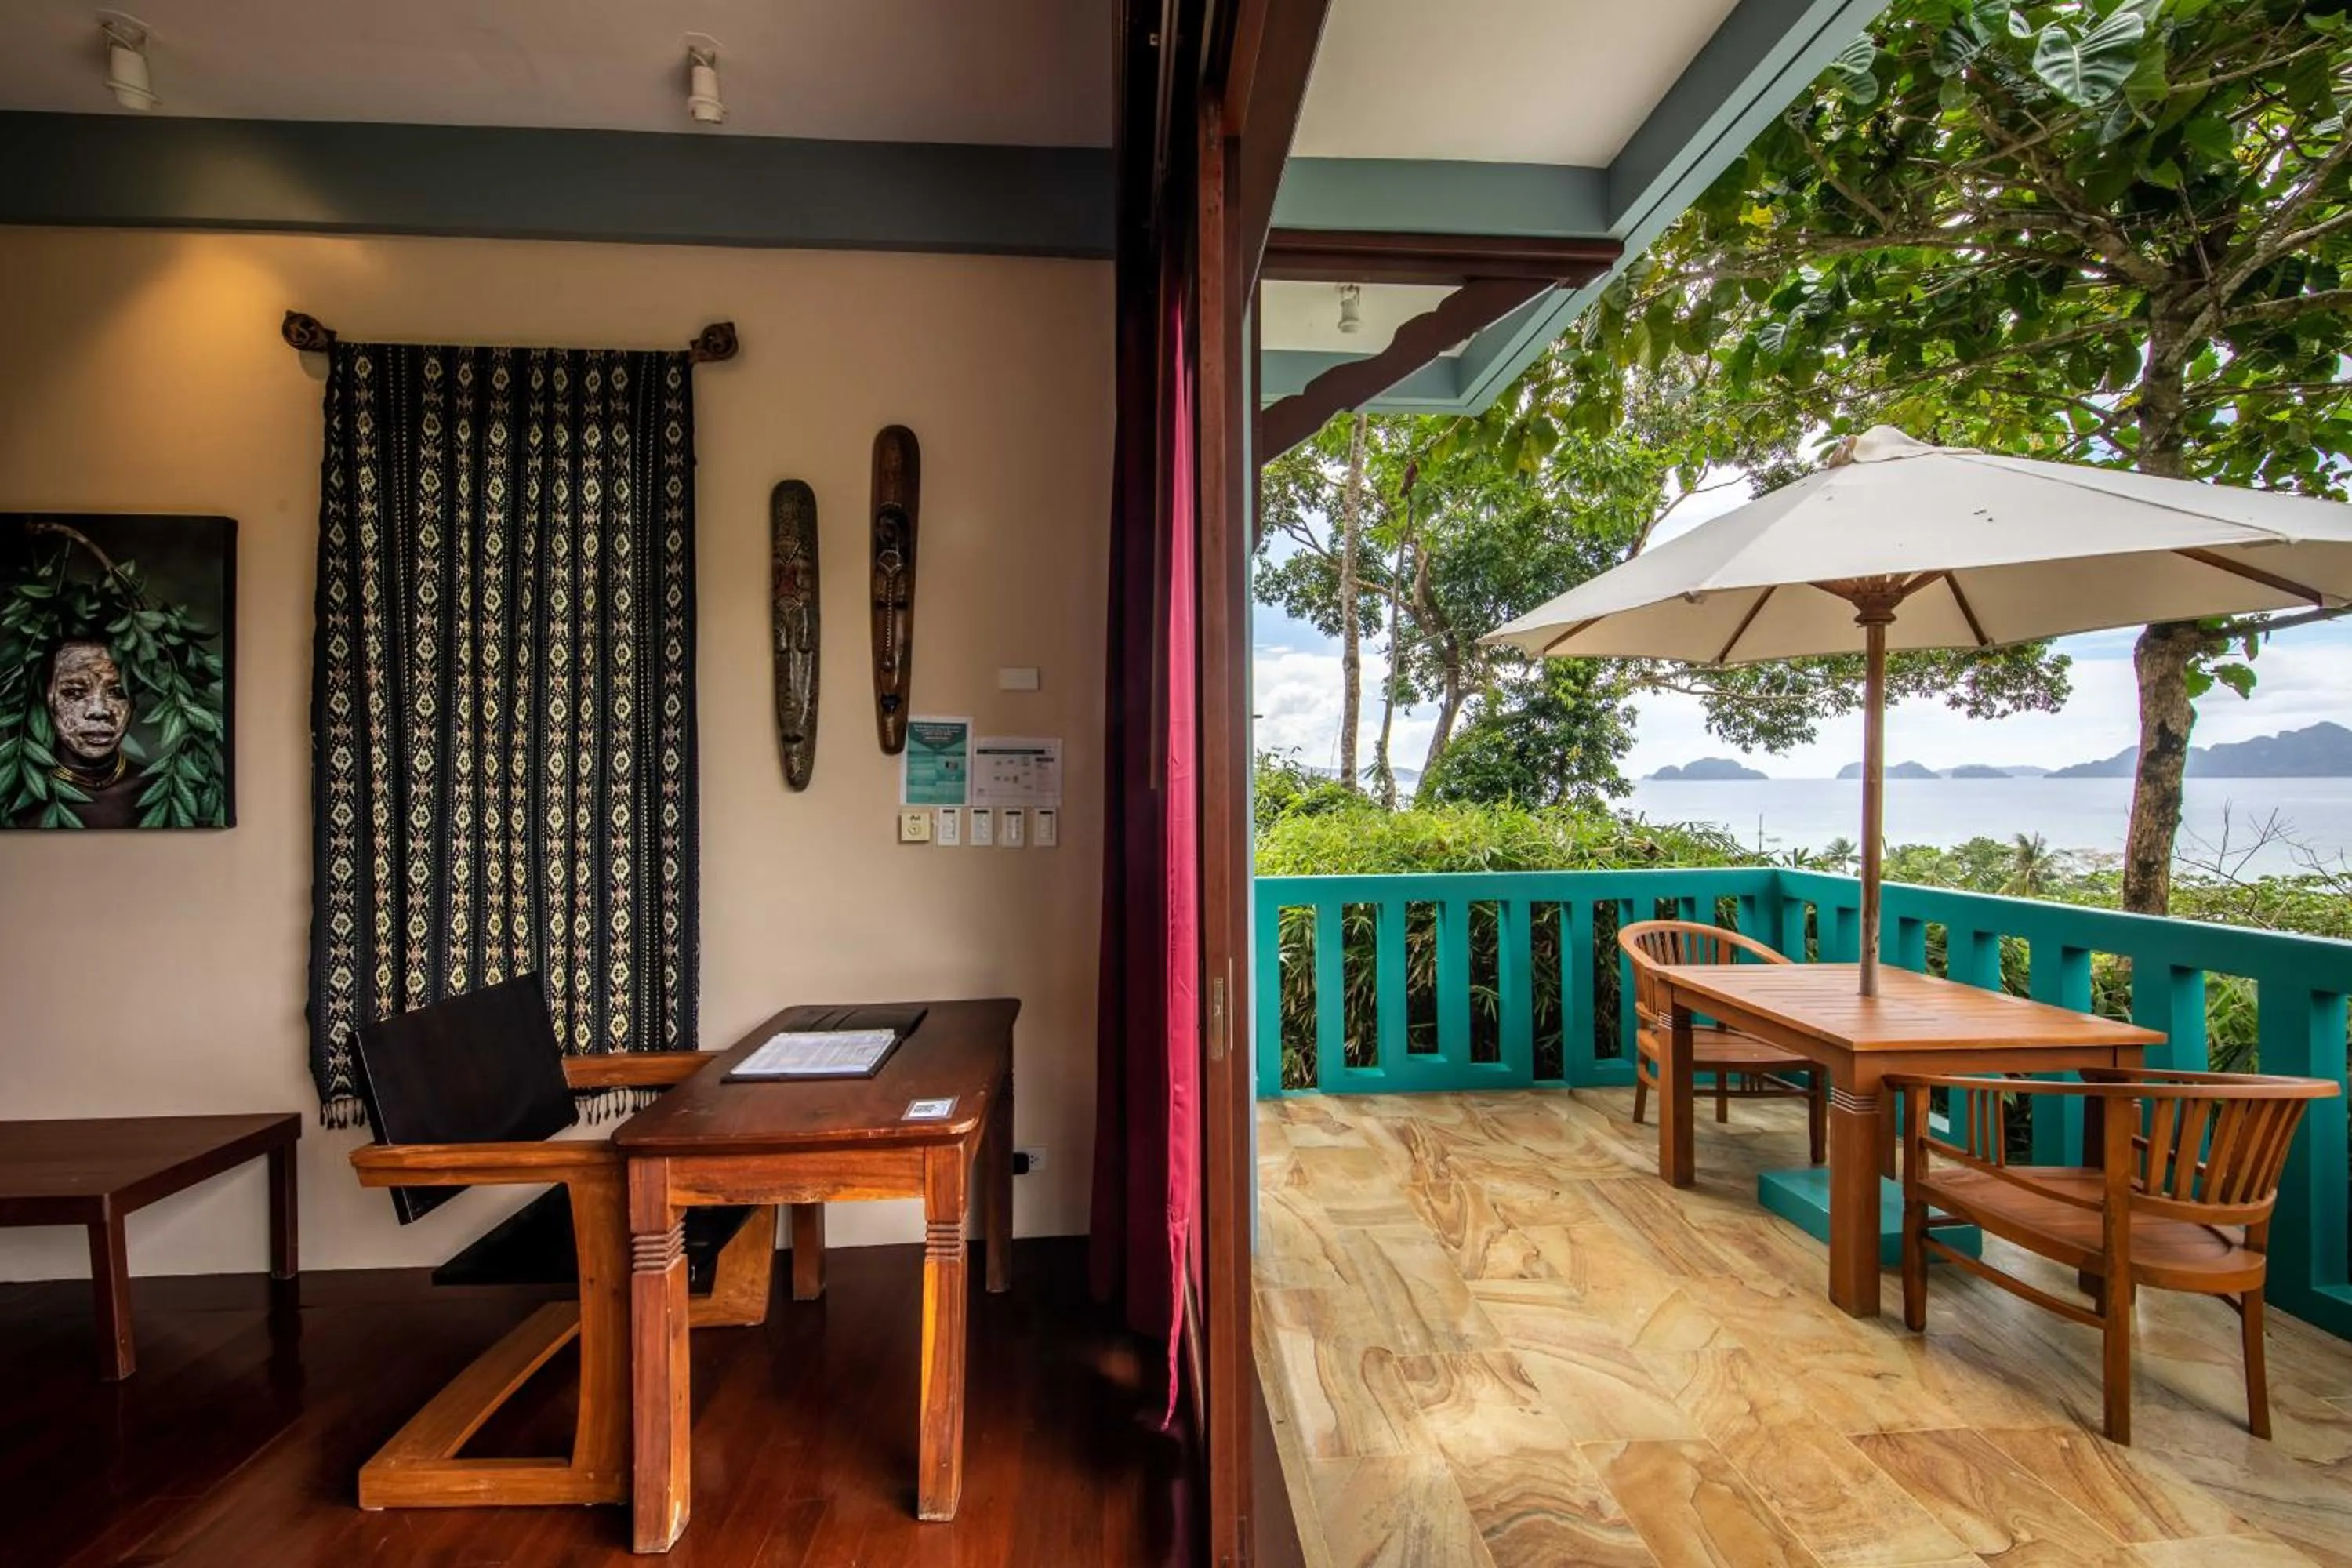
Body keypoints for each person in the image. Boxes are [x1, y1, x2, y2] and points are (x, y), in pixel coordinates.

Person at [17, 638, 142, 828]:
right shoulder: (16, 797)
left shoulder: (159, 788)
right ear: (46, 698)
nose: (99, 711)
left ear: (133, 702)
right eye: (74, 692)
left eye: (117, 692)